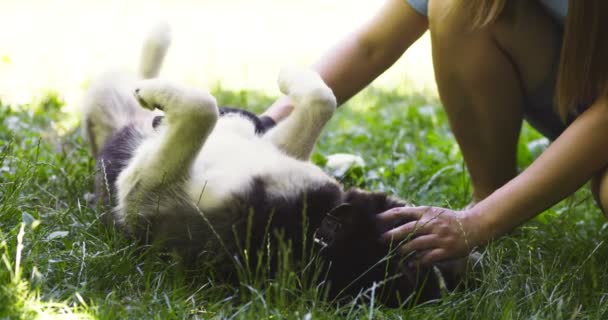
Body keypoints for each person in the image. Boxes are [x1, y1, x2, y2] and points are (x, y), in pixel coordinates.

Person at [262, 0, 608, 264]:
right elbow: (371, 45)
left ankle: (495, 212)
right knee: (457, 6)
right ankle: (492, 195)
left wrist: (476, 224)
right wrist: (262, 128)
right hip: (576, 88)